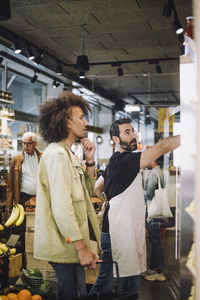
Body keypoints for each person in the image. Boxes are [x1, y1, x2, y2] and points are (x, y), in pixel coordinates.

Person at [90, 117, 180, 297]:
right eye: (127, 132)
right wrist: (191, 136)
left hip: (115, 231)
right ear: (115, 139)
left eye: (132, 131)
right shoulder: (126, 161)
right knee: (125, 287)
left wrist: (111, 202)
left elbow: (97, 188)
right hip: (119, 233)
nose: (133, 136)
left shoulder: (114, 161)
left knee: (108, 282)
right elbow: (162, 148)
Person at [34, 91, 102, 300]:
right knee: (70, 294)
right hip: (64, 244)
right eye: (81, 117)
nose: (85, 122)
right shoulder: (56, 155)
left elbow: (88, 191)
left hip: (70, 244)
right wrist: (81, 247)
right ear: (67, 122)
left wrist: (90, 161)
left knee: (76, 292)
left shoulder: (67, 153)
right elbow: (62, 207)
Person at [6, 132, 42, 264]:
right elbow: (10, 184)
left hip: (40, 199)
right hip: (22, 199)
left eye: (29, 143)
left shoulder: (42, 157)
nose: (26, 146)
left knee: (38, 229)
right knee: (22, 231)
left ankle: (38, 259)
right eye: (24, 143)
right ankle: (24, 262)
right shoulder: (17, 159)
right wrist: (9, 204)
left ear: (35, 144)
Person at [143, 158, 166, 281]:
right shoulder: (161, 172)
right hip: (159, 211)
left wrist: (139, 191)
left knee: (155, 242)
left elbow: (149, 194)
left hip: (153, 212)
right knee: (156, 241)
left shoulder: (153, 173)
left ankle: (158, 271)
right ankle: (154, 269)